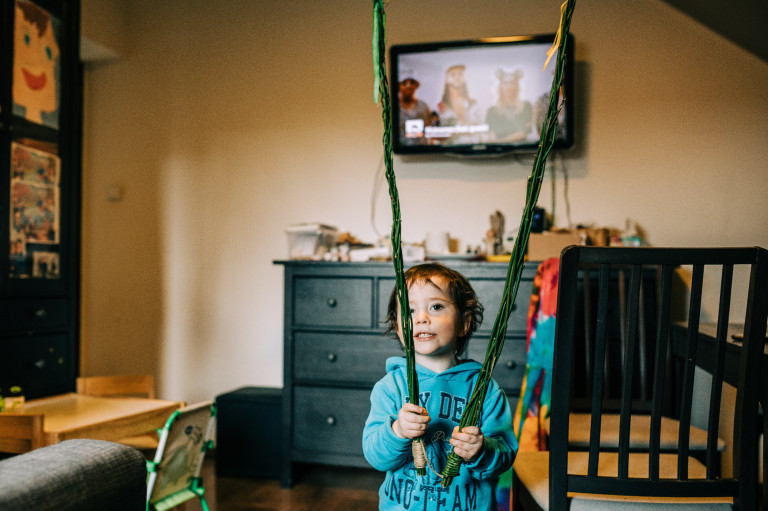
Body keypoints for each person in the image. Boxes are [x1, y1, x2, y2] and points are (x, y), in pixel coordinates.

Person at [363, 263, 516, 511]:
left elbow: (505, 455)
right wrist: (397, 431)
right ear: (399, 328)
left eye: (436, 307)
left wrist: (481, 450)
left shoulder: (484, 389)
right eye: (410, 310)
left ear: (464, 323)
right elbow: (376, 457)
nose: (422, 318)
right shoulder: (390, 387)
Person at [485, 69, 533, 143]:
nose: (509, 86)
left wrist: (500, 142)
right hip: (499, 152)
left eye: (512, 83)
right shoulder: (492, 111)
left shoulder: (526, 107)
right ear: (500, 86)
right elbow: (491, 135)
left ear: (516, 86)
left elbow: (523, 133)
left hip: (521, 149)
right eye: (505, 83)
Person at [398, 73, 432, 145]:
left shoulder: (424, 106)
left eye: (412, 83)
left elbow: (430, 128)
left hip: (421, 149)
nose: (408, 86)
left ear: (416, 86)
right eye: (404, 83)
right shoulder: (394, 108)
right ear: (399, 86)